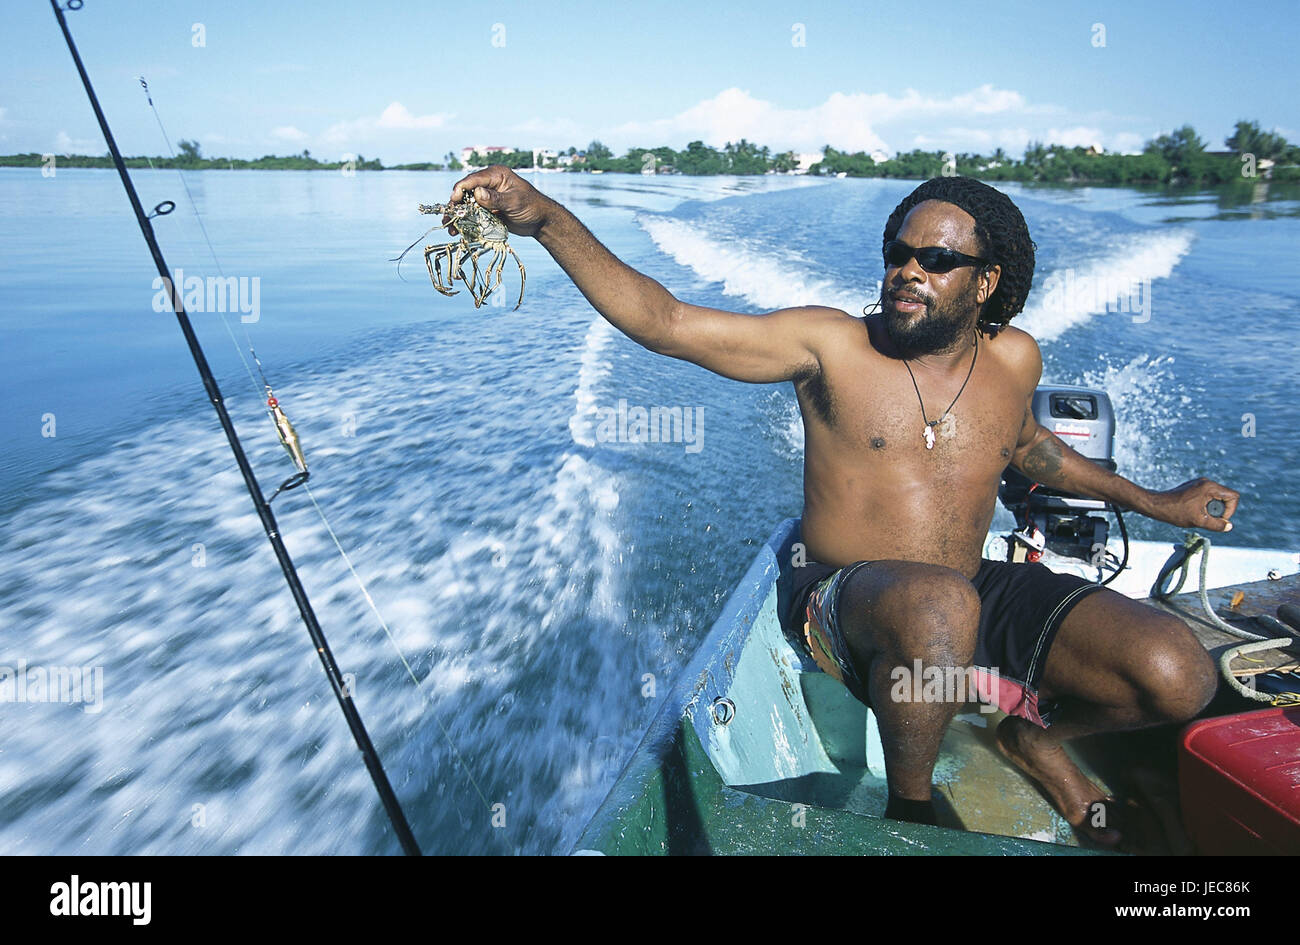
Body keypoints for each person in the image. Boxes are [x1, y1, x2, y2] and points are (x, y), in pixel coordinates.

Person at [443, 167, 1238, 845]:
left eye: (937, 258)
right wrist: (545, 217)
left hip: (967, 590)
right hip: (840, 600)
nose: (907, 271)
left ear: (986, 282)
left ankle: (1035, 736)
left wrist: (1158, 502)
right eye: (898, 253)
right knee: (937, 606)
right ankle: (910, 813)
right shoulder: (828, 347)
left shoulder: (1016, 357)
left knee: (1178, 674)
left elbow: (1032, 451)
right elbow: (666, 323)